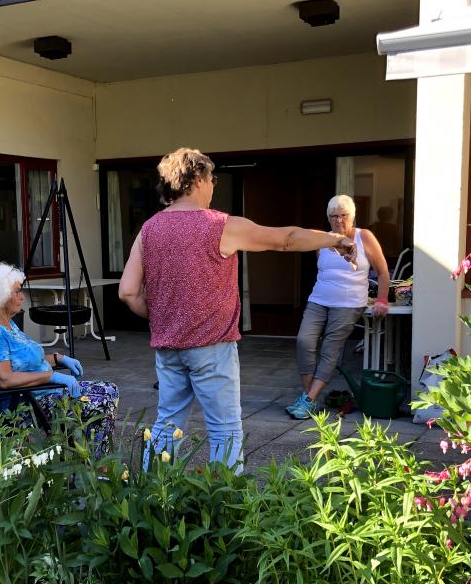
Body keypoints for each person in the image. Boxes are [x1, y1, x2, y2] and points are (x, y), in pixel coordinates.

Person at [118, 147, 355, 469]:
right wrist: (335, 239)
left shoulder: (149, 229)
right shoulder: (220, 225)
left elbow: (128, 292)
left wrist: (164, 317)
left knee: (167, 426)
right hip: (213, 349)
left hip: (168, 349)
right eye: (211, 178)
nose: (213, 185)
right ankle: (226, 505)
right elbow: (285, 239)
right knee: (224, 430)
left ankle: (151, 496)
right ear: (198, 179)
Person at [0, 263, 119, 455]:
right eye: (17, 292)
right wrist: (51, 377)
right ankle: (96, 462)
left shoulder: (5, 323)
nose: (22, 297)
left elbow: (25, 361)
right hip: (25, 404)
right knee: (102, 399)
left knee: (109, 390)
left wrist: (59, 358)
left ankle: (94, 458)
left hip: (37, 394)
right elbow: (4, 378)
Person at [286, 194, 391, 419]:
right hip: (319, 299)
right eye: (334, 216)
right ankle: (309, 398)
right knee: (304, 340)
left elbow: (383, 272)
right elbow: (322, 270)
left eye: (343, 216)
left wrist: (382, 300)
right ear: (328, 218)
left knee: (330, 348)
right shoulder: (322, 239)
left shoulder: (365, 237)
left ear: (352, 216)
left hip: (349, 303)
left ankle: (308, 400)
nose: (339, 220)